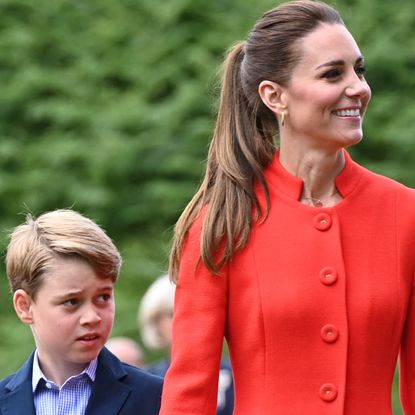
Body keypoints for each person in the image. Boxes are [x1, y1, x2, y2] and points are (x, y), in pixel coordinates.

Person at [159, 1, 415, 414]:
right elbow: (189, 393)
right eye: (333, 73)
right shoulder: (223, 222)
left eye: (359, 70)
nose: (359, 87)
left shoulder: (407, 214)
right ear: (274, 96)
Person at [0, 209, 162, 415]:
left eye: (103, 297)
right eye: (72, 302)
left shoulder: (156, 397)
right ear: (24, 306)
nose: (92, 317)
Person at [138, 275, 234, 415]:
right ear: (156, 323)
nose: (186, 320)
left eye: (197, 311)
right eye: (174, 313)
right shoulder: (145, 381)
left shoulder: (237, 378)